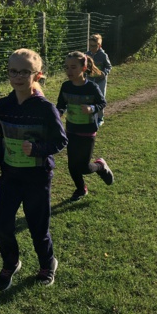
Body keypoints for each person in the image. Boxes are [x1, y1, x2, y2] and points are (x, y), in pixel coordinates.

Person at [0, 48, 67, 291]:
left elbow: (61, 140)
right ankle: (11, 263)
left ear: (38, 75)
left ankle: (47, 263)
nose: (18, 76)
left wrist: (38, 149)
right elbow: (2, 138)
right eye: (13, 71)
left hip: (37, 177)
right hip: (10, 176)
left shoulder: (45, 108)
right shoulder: (3, 105)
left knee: (37, 226)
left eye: (25, 72)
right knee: (2, 225)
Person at [57, 51, 114, 202]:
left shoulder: (92, 88)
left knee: (83, 167)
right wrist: (58, 113)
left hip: (87, 132)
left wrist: (92, 109)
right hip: (71, 130)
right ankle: (81, 188)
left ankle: (100, 166)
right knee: (71, 165)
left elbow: (102, 103)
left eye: (73, 67)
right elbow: (61, 105)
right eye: (67, 67)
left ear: (84, 67)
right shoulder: (66, 86)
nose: (69, 71)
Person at [86, 34, 112, 126]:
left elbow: (109, 66)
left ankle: (100, 118)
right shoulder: (87, 55)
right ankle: (92, 116)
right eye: (90, 45)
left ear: (99, 46)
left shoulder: (103, 55)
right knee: (89, 98)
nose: (91, 48)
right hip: (90, 80)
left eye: (93, 46)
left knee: (100, 98)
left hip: (100, 81)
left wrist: (104, 73)